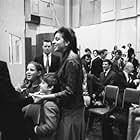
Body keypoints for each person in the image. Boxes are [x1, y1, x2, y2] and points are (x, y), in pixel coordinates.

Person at [32, 27, 85, 140]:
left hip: (72, 111)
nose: (53, 42)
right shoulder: (65, 57)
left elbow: (69, 92)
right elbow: (58, 78)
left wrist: (45, 97)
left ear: (67, 42)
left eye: (57, 39)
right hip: (67, 108)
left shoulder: (71, 60)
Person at [0, 60, 38, 140]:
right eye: (27, 70)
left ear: (39, 73)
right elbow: (8, 100)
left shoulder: (39, 87)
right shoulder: (24, 85)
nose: (28, 72)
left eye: (32, 70)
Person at [25, 73, 60, 140]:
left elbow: (50, 126)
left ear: (50, 87)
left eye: (43, 83)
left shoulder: (49, 105)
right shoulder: (46, 101)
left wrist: (36, 129)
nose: (40, 85)